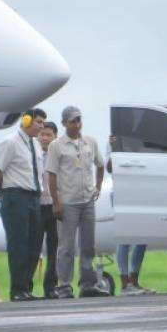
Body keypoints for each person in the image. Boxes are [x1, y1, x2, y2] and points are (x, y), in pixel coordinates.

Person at [47, 106, 109, 298]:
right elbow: (52, 174)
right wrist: (56, 201)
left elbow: (100, 165)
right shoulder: (56, 145)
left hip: (87, 200)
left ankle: (88, 284)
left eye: (79, 120)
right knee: (66, 246)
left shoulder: (89, 142)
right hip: (68, 202)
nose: (77, 124)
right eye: (72, 121)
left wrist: (98, 186)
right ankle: (64, 285)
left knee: (88, 244)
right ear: (64, 123)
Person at [0, 108, 46, 302]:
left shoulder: (36, 145)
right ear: (26, 120)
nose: (41, 126)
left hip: (33, 197)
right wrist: (4, 194)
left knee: (34, 244)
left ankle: (26, 288)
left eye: (43, 123)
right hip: (16, 196)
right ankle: (17, 290)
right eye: (38, 122)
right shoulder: (10, 142)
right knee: (19, 245)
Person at [106, 135, 154, 295]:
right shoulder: (114, 140)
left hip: (142, 191)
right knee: (124, 237)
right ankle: (124, 282)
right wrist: (115, 148)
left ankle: (134, 280)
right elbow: (110, 167)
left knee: (142, 238)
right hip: (122, 191)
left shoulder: (141, 141)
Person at [31, 121, 60, 299]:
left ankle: (51, 287)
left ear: (55, 136)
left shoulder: (58, 156)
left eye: (48, 134)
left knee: (53, 248)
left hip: (54, 205)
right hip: (37, 205)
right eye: (42, 134)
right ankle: (27, 287)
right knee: (34, 247)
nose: (44, 138)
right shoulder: (32, 154)